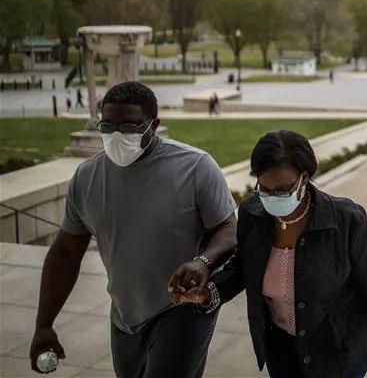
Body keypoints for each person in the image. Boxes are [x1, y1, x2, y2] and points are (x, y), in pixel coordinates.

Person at [174, 131, 367, 378]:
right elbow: (243, 267)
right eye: (264, 189)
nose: (271, 198)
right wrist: (210, 292)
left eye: (282, 190)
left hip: (339, 349)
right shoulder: (252, 214)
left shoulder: (346, 221)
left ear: (305, 177)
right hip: (281, 348)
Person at [30, 82, 237, 377]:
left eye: (128, 128)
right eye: (107, 127)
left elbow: (228, 229)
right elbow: (65, 253)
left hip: (182, 308)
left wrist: (203, 262)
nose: (116, 136)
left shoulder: (195, 167)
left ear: (154, 125)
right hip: (125, 316)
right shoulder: (87, 177)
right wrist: (43, 324)